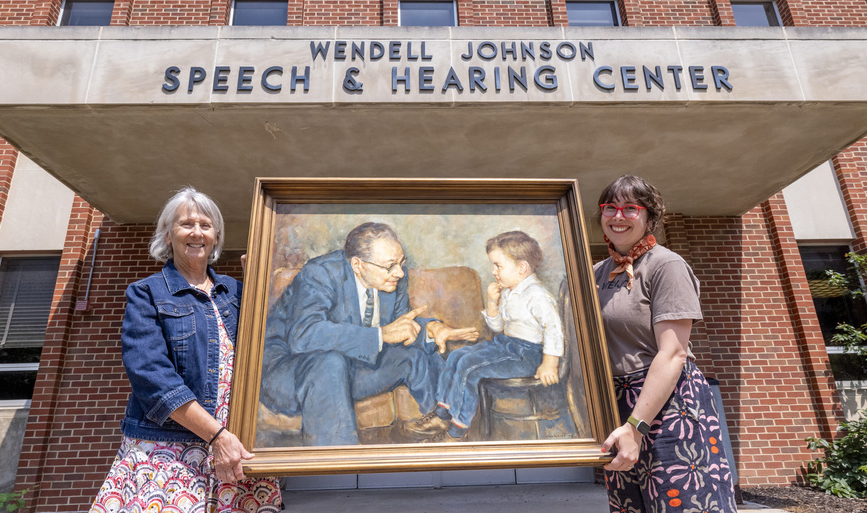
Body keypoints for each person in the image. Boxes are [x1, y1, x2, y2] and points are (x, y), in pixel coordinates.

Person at [91, 187, 281, 513]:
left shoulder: (237, 291)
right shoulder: (146, 293)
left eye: (205, 225)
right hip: (171, 452)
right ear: (168, 235)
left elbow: (273, 353)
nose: (197, 232)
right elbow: (151, 377)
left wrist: (263, 288)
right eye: (186, 224)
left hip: (237, 451)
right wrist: (217, 437)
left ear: (216, 236)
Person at [259, 221, 479, 446]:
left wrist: (432, 329)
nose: (400, 272)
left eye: (401, 263)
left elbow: (400, 324)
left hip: (350, 366)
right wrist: (381, 335)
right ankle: (338, 466)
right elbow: (304, 334)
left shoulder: (393, 279)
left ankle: (453, 435)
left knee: (417, 357)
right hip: (289, 372)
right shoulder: (320, 273)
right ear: (357, 265)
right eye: (390, 266)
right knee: (330, 363)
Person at [596, 175, 736, 513]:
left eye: (630, 208)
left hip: (669, 405)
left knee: (681, 503)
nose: (618, 216)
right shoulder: (597, 272)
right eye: (610, 207)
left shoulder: (666, 265)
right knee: (633, 506)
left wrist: (636, 427)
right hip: (618, 405)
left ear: (649, 217)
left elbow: (672, 353)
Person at [424, 230, 564, 441]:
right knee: (456, 357)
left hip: (527, 355)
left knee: (469, 367)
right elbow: (498, 327)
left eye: (498, 266)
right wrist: (492, 303)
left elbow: (553, 329)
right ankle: (442, 413)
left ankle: (458, 429)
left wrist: (550, 363)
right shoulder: (508, 290)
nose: (493, 271)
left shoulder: (537, 295)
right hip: (506, 345)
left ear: (522, 268)